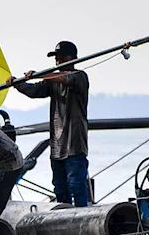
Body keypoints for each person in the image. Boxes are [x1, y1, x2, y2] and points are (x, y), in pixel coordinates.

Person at [11, 40, 91, 206]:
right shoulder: (52, 82)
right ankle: (65, 220)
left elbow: (65, 78)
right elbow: (34, 91)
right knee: (60, 189)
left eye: (62, 58)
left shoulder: (80, 77)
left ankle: (83, 216)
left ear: (72, 58)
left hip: (75, 145)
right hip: (57, 146)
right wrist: (18, 84)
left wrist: (40, 74)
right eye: (57, 58)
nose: (58, 62)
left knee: (77, 185)